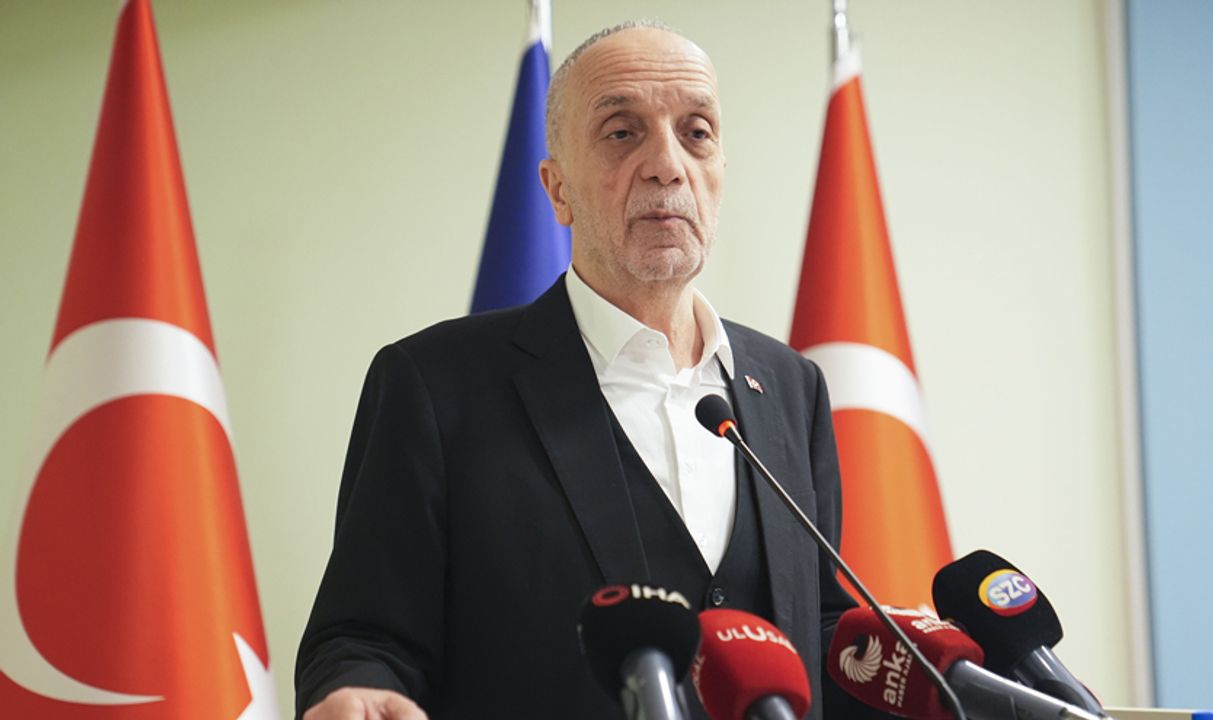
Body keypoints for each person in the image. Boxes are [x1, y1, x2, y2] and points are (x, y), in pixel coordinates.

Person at [296, 21, 871, 720]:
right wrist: (355, 687)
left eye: (696, 133)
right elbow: (364, 635)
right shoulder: (433, 386)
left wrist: (939, 678)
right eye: (622, 132)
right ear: (558, 189)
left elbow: (818, 627)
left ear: (720, 171)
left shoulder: (789, 387)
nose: (667, 165)